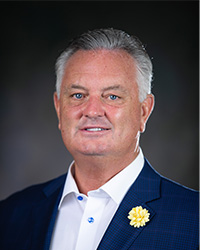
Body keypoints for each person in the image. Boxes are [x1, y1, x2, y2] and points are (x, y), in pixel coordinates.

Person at [0, 28, 198, 250]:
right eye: (78, 95)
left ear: (144, 111)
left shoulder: (194, 219)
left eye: (112, 96)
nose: (92, 111)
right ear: (58, 108)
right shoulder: (11, 215)